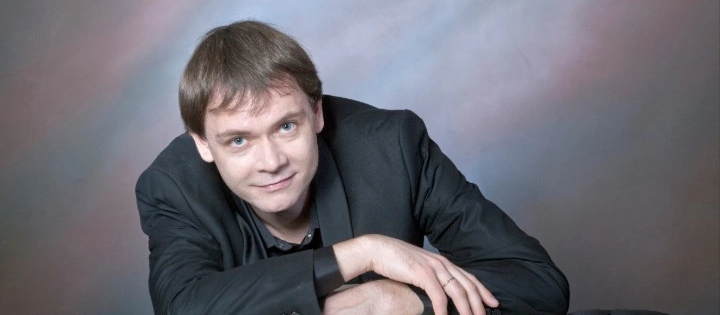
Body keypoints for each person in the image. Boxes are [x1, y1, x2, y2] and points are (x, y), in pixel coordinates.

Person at [135, 20, 570, 315]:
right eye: (239, 140)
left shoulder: (392, 146)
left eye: (286, 126)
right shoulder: (173, 187)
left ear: (316, 114)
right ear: (203, 144)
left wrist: (398, 302)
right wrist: (362, 254)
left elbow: (537, 282)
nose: (271, 162)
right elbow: (182, 305)